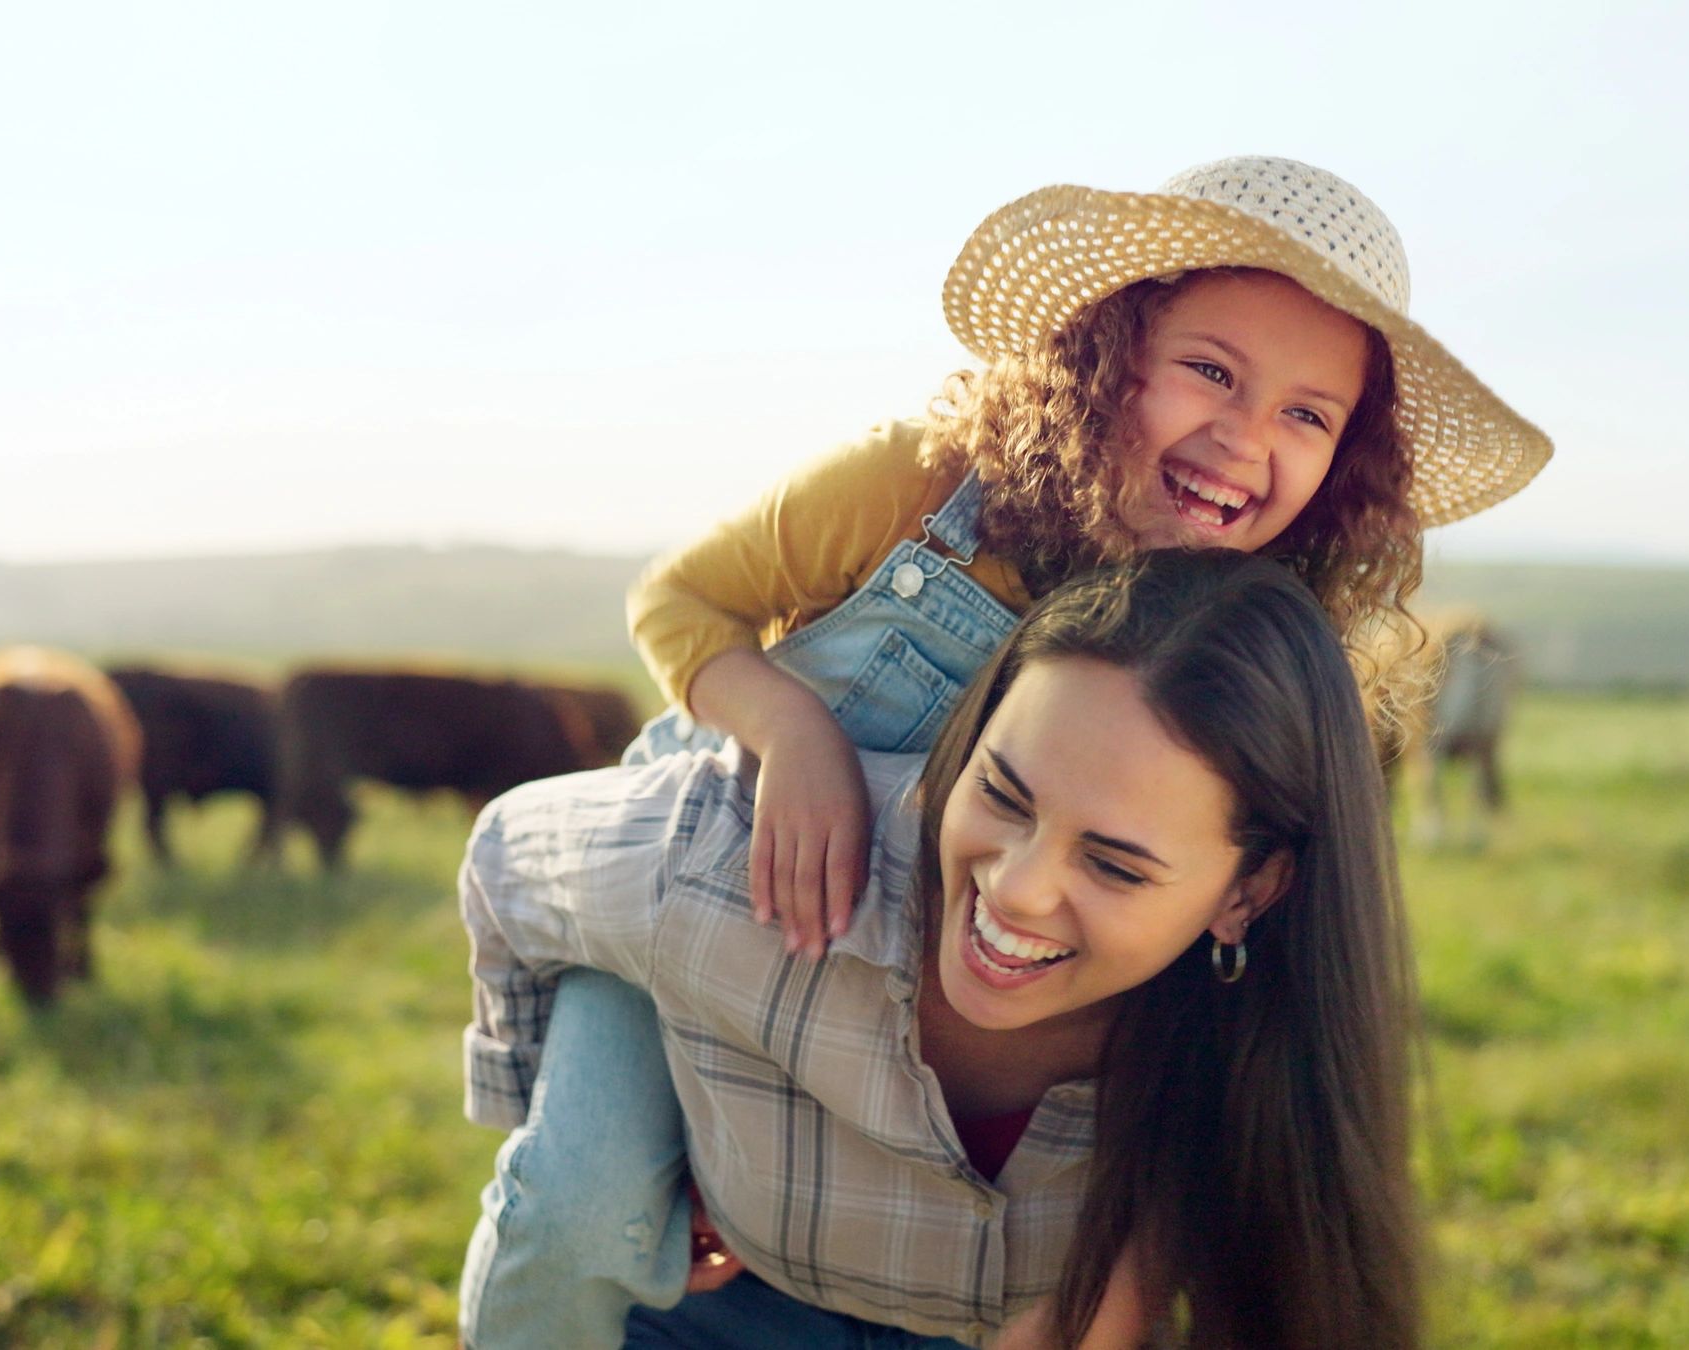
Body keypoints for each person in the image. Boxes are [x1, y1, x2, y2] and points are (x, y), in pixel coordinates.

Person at [460, 154, 1550, 1346]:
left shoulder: (1269, 657)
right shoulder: (918, 485)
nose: (1243, 438)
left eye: (1304, 414)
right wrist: (792, 732)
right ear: (1106, 353)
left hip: (918, 997)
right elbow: (680, 603)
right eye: (1208, 372)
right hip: (712, 883)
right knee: (583, 1212)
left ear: (1342, 466)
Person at [464, 551, 1423, 1348]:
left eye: (1116, 866)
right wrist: (591, 1140)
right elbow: (506, 858)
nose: (1014, 888)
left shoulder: (1254, 1048)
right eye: (1002, 795)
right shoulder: (720, 867)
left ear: (1248, 893)